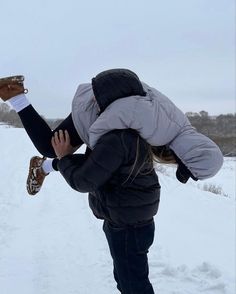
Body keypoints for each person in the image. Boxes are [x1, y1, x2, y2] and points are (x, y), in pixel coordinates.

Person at [0, 69, 223, 293]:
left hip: (106, 101)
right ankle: (15, 95)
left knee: (102, 163)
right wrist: (70, 155)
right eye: (182, 164)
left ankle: (43, 164)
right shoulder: (145, 132)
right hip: (96, 107)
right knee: (53, 147)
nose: (175, 163)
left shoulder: (176, 126)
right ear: (186, 154)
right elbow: (95, 159)